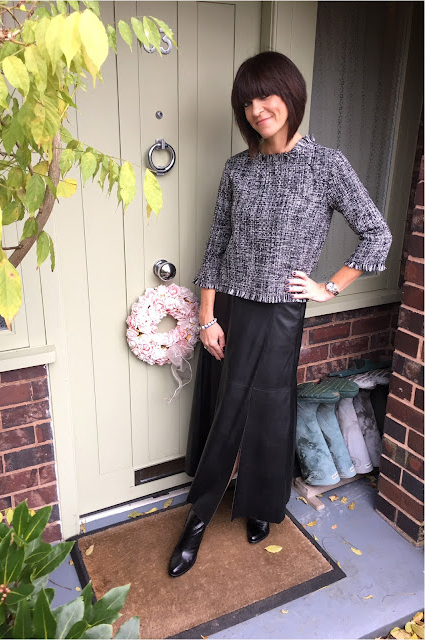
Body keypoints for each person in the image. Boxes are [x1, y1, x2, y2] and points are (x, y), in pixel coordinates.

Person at [168, 51, 393, 578]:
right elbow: (216, 245)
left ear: (290, 96)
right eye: (246, 101)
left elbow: (376, 232)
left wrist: (328, 287)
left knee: (268, 415)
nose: (256, 108)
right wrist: (206, 317)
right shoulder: (237, 169)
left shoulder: (326, 165)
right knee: (224, 410)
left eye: (265, 96)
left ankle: (261, 506)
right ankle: (198, 518)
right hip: (227, 310)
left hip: (281, 315)